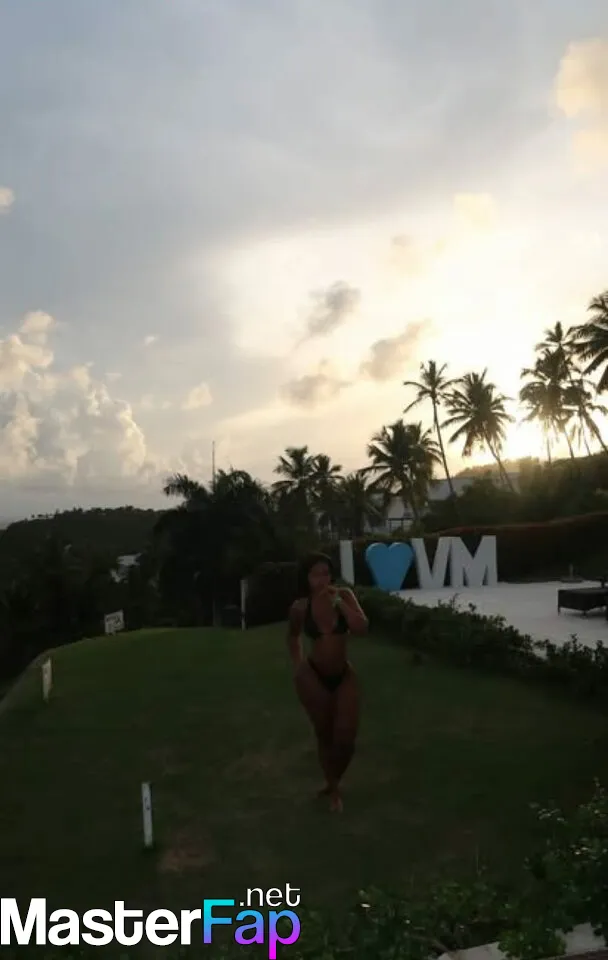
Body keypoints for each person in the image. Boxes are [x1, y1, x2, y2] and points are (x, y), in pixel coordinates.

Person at [287, 552, 368, 812]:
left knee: (346, 739)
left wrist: (339, 603)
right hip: (313, 675)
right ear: (306, 579)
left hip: (343, 674)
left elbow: (361, 628)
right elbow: (293, 637)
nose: (322, 580)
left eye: (326, 573)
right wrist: (298, 665)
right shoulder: (301, 608)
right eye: (315, 575)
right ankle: (333, 789)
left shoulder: (344, 595)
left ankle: (334, 778)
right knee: (325, 734)